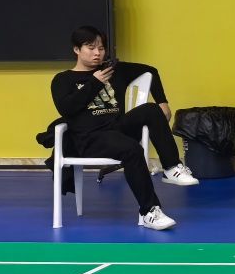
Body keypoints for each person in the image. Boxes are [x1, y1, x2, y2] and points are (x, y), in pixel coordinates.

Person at [48, 26, 198, 230]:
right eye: (91, 48)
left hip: (116, 129)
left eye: (101, 48)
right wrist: (94, 82)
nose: (97, 53)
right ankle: (150, 212)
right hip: (88, 138)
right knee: (132, 149)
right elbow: (67, 108)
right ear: (76, 49)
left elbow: (151, 71)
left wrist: (162, 102)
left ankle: (172, 168)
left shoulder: (113, 71)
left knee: (151, 110)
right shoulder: (62, 80)